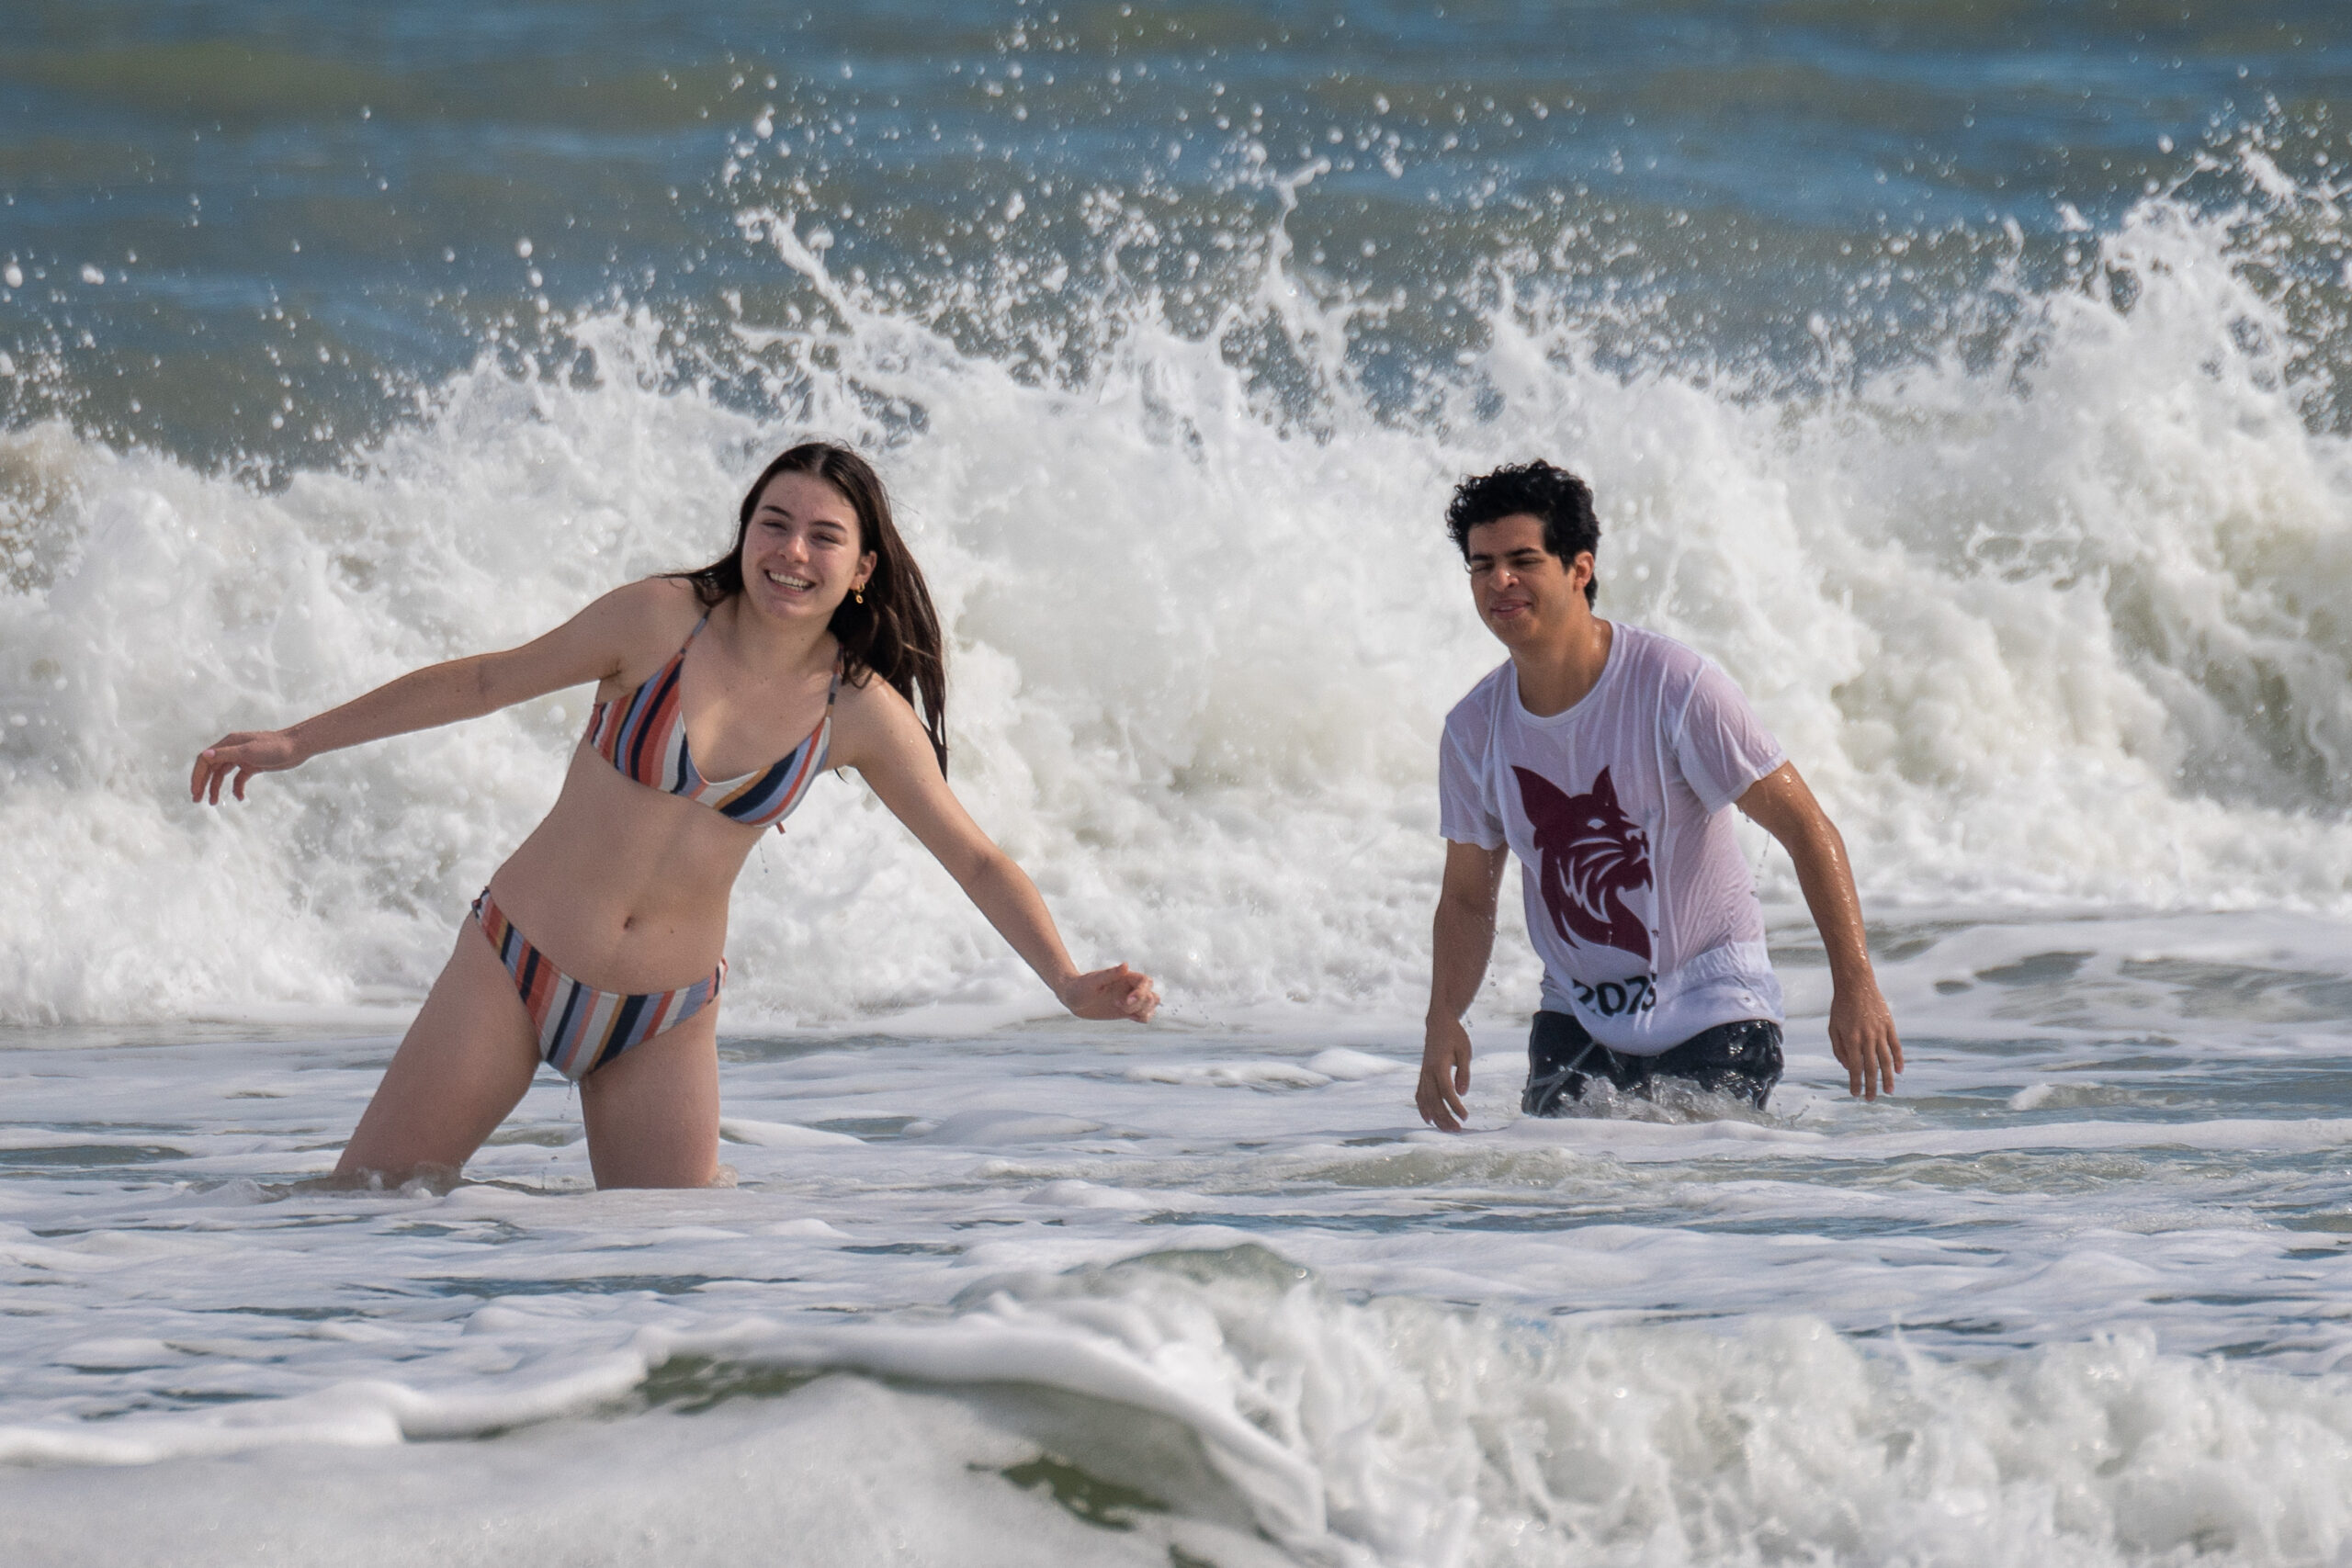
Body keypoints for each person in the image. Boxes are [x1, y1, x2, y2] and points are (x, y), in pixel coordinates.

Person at [192, 443, 1159, 1189]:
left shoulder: (857, 710)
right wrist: (299, 740)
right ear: (745, 532)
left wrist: (1067, 980)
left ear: (862, 567)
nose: (792, 551)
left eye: (824, 537)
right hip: (516, 966)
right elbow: (485, 682)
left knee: (669, 1270)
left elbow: (976, 858)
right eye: (774, 524)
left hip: (661, 1017)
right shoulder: (658, 621)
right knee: (364, 1204)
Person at [1415, 460, 1899, 1131]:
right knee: (1555, 1183)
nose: (1500, 581)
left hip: (1714, 1004)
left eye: (1523, 561)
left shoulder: (1674, 686)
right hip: (1577, 1012)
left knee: (1680, 1181)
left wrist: (1856, 984)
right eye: (1482, 565)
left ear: (1579, 568)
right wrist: (1444, 1017)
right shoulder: (1474, 729)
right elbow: (1468, 898)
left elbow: (1806, 828)